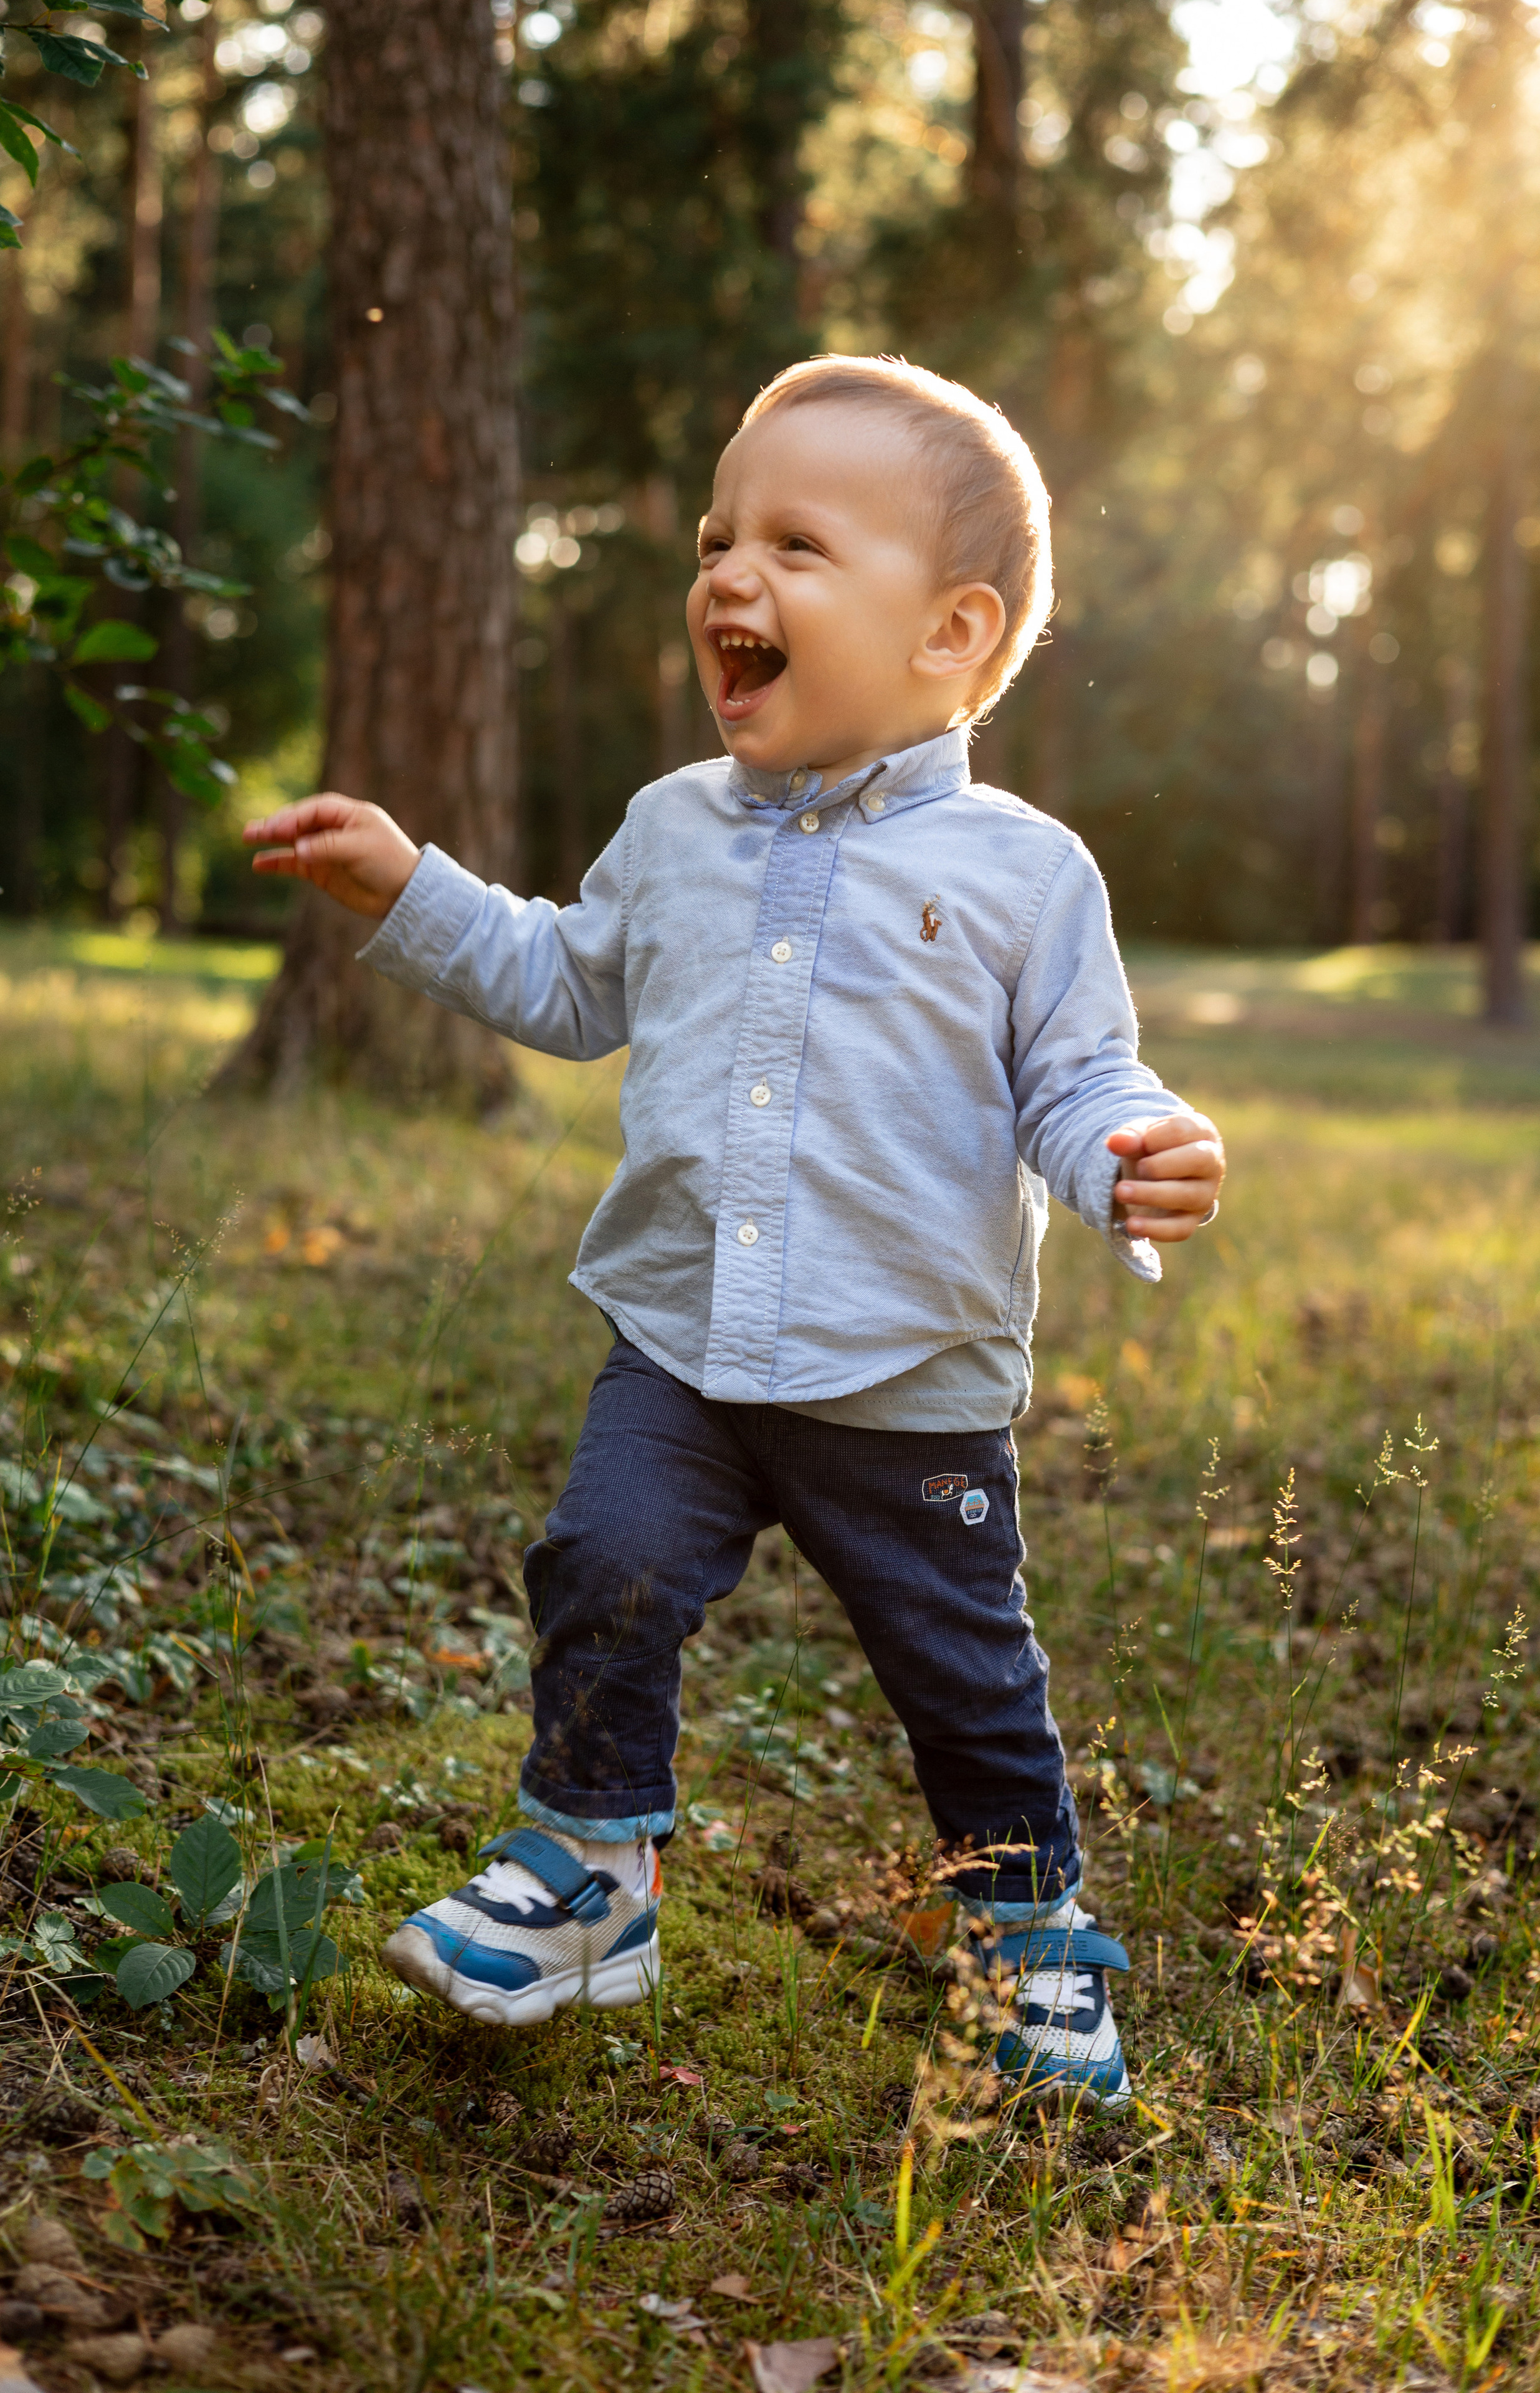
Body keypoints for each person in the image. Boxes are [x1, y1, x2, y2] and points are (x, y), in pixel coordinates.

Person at [244, 355, 1225, 2109]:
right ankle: (589, 1869)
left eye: (795, 542)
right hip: (681, 1341)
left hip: (905, 1375)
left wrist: (1135, 1149)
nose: (724, 576)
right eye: (716, 538)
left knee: (965, 1676)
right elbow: (563, 979)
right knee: (602, 1568)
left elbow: (1079, 1080)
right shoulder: (672, 830)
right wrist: (410, 887)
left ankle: (1025, 1935)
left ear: (950, 632)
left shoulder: (1025, 874)